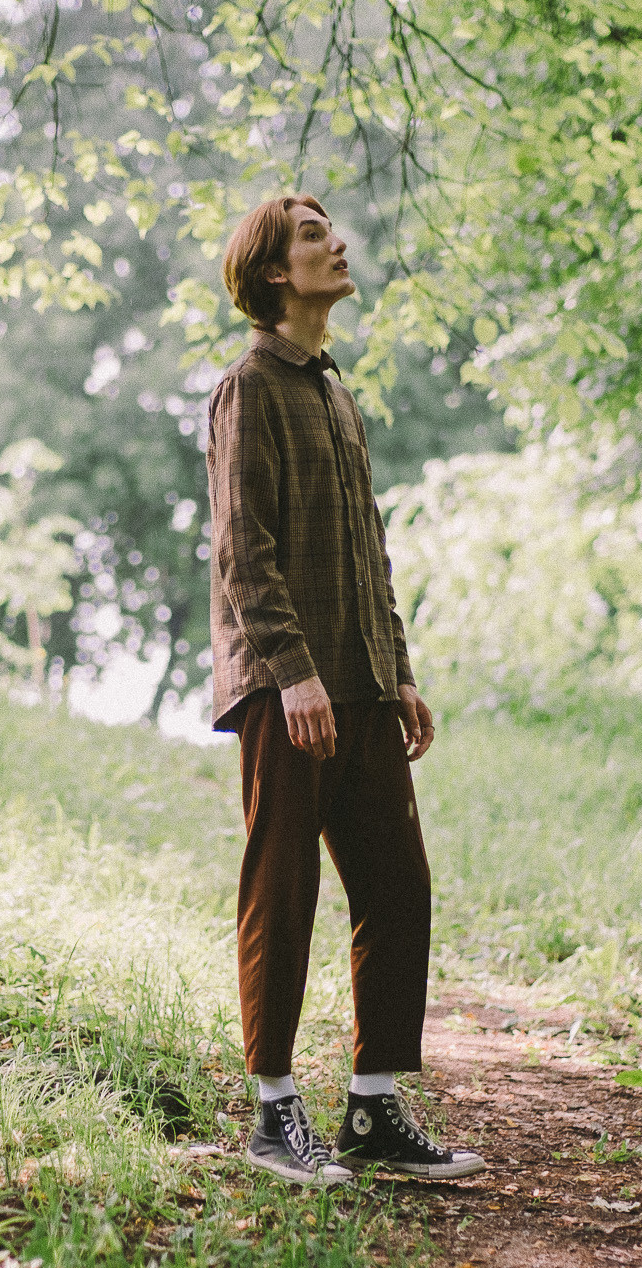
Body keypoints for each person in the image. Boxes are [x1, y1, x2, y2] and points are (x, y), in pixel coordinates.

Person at [204, 193, 486, 1185]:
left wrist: (395, 669)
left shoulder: (332, 391)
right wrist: (292, 673)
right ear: (276, 270)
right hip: (288, 694)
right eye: (316, 236)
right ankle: (273, 1113)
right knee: (281, 891)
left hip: (360, 687)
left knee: (395, 886)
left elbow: (368, 550)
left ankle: (371, 1109)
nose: (339, 245)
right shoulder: (248, 388)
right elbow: (244, 550)